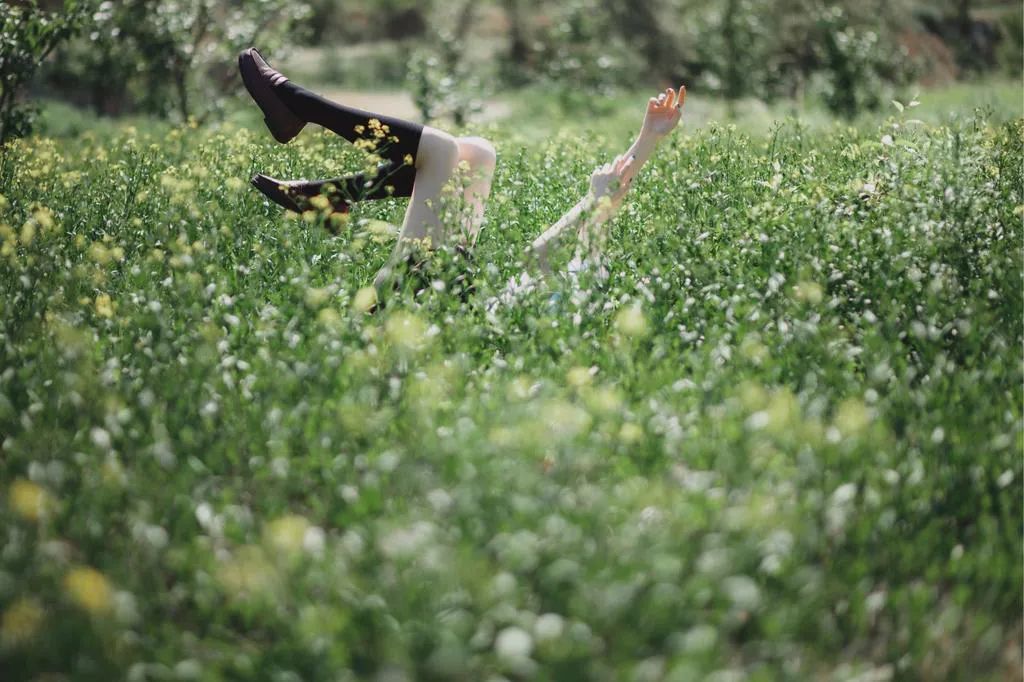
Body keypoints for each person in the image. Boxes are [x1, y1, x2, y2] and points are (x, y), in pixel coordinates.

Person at [238, 47, 685, 297]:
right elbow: (613, 190)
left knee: (437, 148)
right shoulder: (590, 268)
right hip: (451, 289)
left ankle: (298, 105)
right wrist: (647, 139)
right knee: (478, 154)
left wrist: (596, 199)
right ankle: (328, 197)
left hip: (428, 303)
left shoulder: (585, 291)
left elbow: (539, 255)